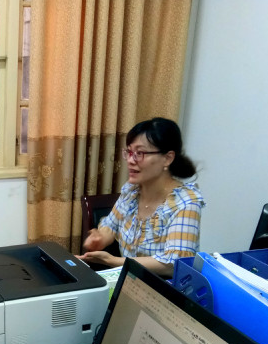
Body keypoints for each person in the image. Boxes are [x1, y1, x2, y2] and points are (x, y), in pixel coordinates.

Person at [77, 117, 205, 277]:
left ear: (167, 158)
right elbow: (111, 225)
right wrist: (101, 237)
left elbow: (174, 263)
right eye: (129, 152)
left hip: (164, 287)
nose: (131, 160)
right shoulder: (132, 191)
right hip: (129, 281)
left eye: (140, 153)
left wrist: (114, 261)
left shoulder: (185, 202)